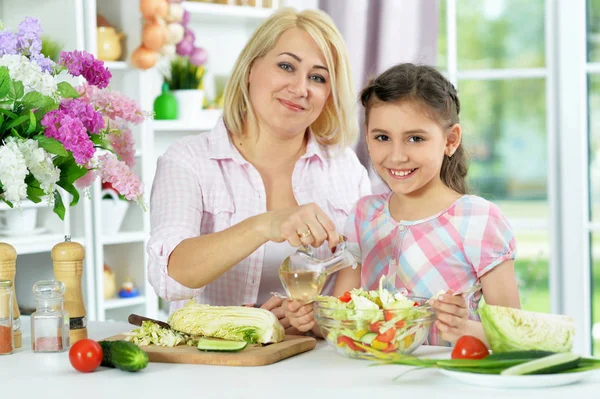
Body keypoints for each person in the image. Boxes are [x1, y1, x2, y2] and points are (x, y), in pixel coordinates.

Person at [146, 8, 371, 334]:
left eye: (318, 77)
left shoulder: (345, 168)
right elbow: (170, 278)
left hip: (313, 361)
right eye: (286, 66)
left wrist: (312, 321)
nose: (300, 88)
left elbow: (357, 278)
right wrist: (265, 224)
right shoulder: (189, 160)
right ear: (251, 68)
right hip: (213, 367)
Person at [285, 63, 521, 345]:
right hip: (372, 382)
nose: (397, 156)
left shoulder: (478, 220)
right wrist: (314, 319)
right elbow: (342, 319)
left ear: (450, 140)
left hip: (443, 384)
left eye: (415, 138)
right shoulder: (364, 215)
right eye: (382, 137)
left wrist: (465, 329)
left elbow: (514, 337)